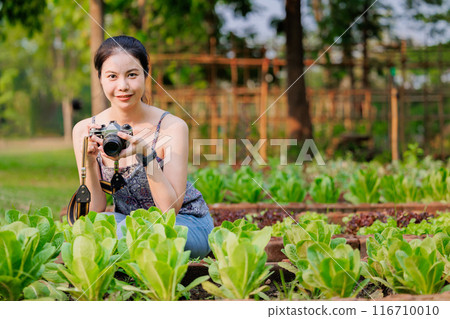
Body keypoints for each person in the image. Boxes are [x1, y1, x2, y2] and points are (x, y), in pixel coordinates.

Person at [72, 35, 213, 258]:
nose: (123, 86)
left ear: (146, 75)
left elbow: (169, 210)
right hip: (129, 223)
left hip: (182, 223)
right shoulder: (85, 130)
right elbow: (94, 210)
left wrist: (147, 155)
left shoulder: (171, 127)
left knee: (148, 237)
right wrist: (89, 163)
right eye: (112, 76)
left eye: (132, 75)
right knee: (90, 228)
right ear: (100, 78)